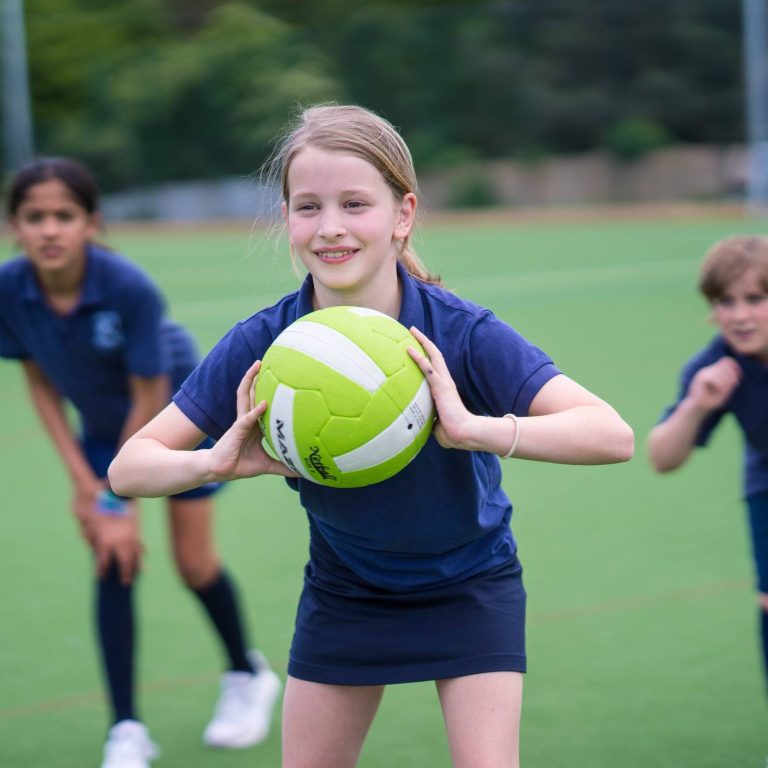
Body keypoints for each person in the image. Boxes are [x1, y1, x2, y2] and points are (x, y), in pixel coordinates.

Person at [108, 104, 634, 768]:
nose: (330, 228)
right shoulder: (268, 343)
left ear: (403, 214)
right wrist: (213, 462)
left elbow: (611, 434)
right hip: (347, 591)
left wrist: (476, 430)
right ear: (287, 220)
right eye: (308, 207)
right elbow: (129, 468)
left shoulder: (459, 333)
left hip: (470, 585)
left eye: (355, 204)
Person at [0, 157, 282, 768]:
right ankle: (126, 728)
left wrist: (115, 499)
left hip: (176, 419)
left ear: (91, 224)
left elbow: (150, 399)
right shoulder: (10, 289)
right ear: (14, 226)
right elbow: (41, 384)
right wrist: (83, 483)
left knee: (194, 564)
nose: (49, 230)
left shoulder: (127, 289)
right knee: (113, 559)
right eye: (34, 217)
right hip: (103, 431)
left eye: (64, 216)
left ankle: (246, 675)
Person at [648, 235, 768, 708]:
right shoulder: (716, 368)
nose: (739, 315)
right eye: (725, 302)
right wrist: (697, 406)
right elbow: (662, 456)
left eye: (755, 299)